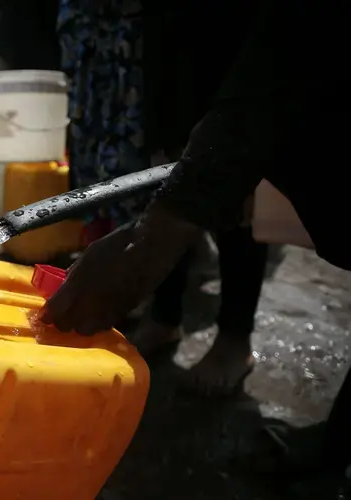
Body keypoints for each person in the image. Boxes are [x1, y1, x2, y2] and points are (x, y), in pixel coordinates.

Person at [41, 0, 349, 475]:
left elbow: (290, 47)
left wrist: (151, 241)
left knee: (228, 182)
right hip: (178, 60)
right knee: (194, 168)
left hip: (247, 56)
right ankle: (166, 317)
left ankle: (234, 338)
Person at [138, 0, 268, 394]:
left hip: (230, 47)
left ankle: (234, 338)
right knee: (167, 178)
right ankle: (164, 315)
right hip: (170, 49)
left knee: (236, 193)